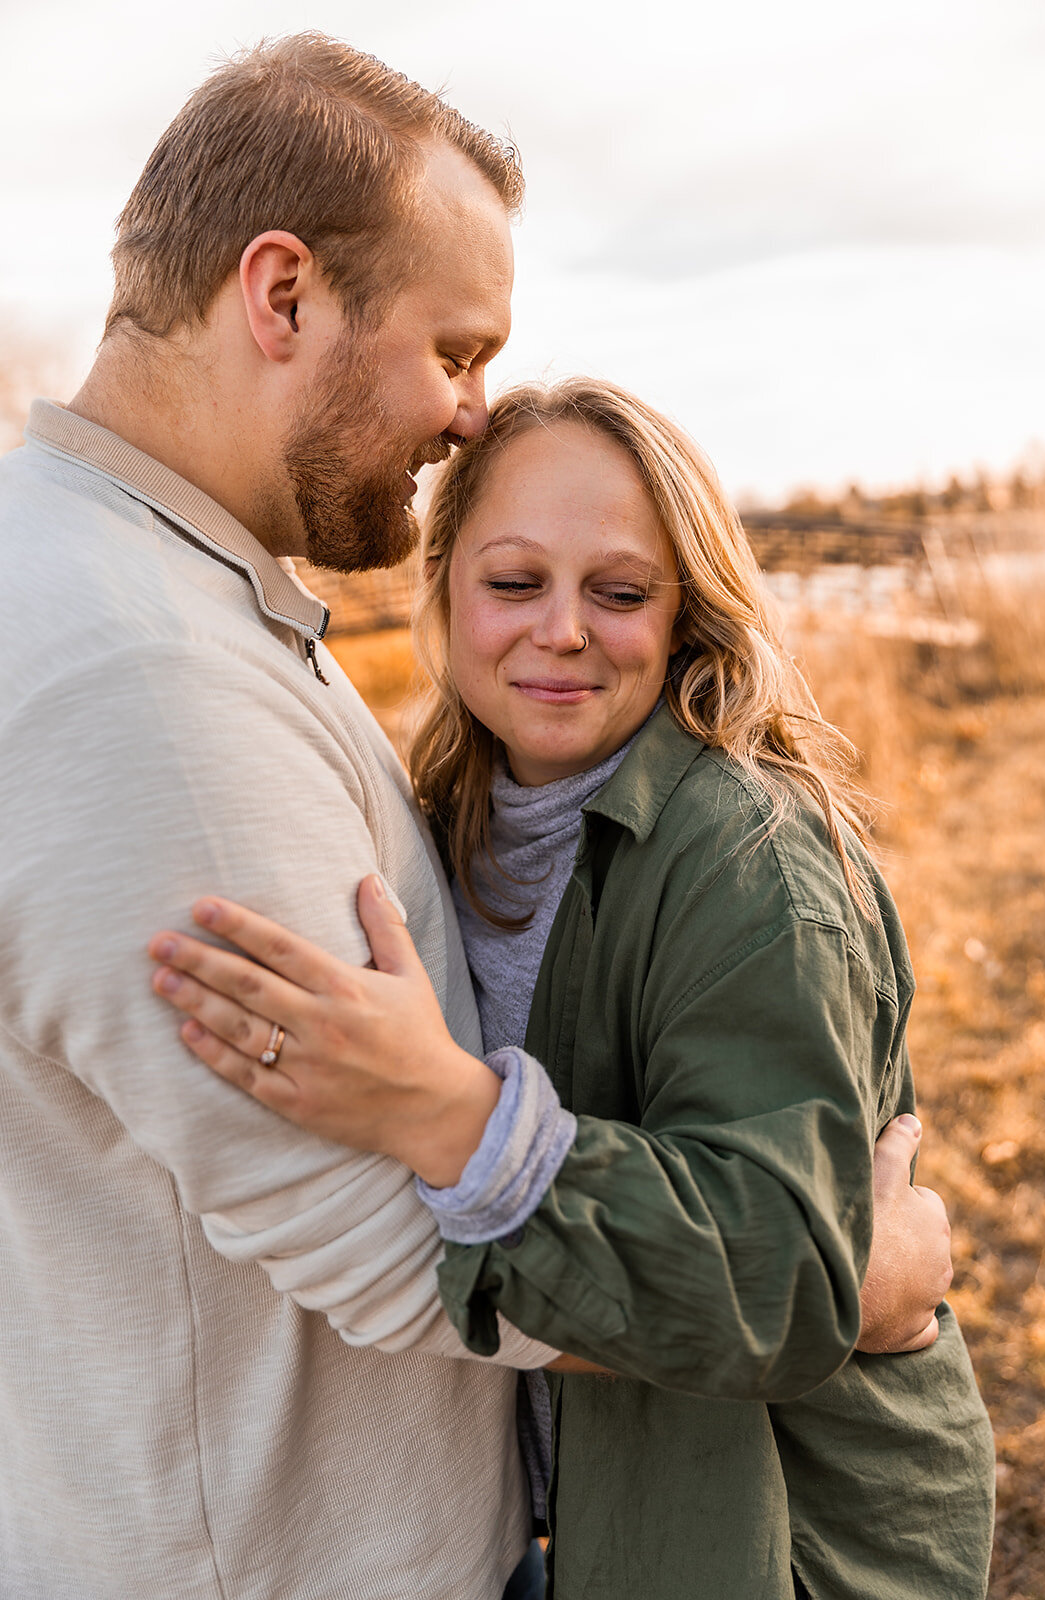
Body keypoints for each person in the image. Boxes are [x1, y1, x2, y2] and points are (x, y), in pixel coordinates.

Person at [149, 378, 996, 1599]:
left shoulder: (751, 864)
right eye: (512, 583)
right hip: (569, 1517)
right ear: (444, 586)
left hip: (780, 1538)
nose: (560, 630)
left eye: (617, 591)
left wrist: (449, 1115)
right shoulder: (437, 825)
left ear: (685, 611)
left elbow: (779, 1268)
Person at [0, 35, 568, 1600]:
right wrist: (830, 1280)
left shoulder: (144, 584)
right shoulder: (133, 677)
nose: (472, 413)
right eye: (456, 349)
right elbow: (405, 1246)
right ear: (283, 296)